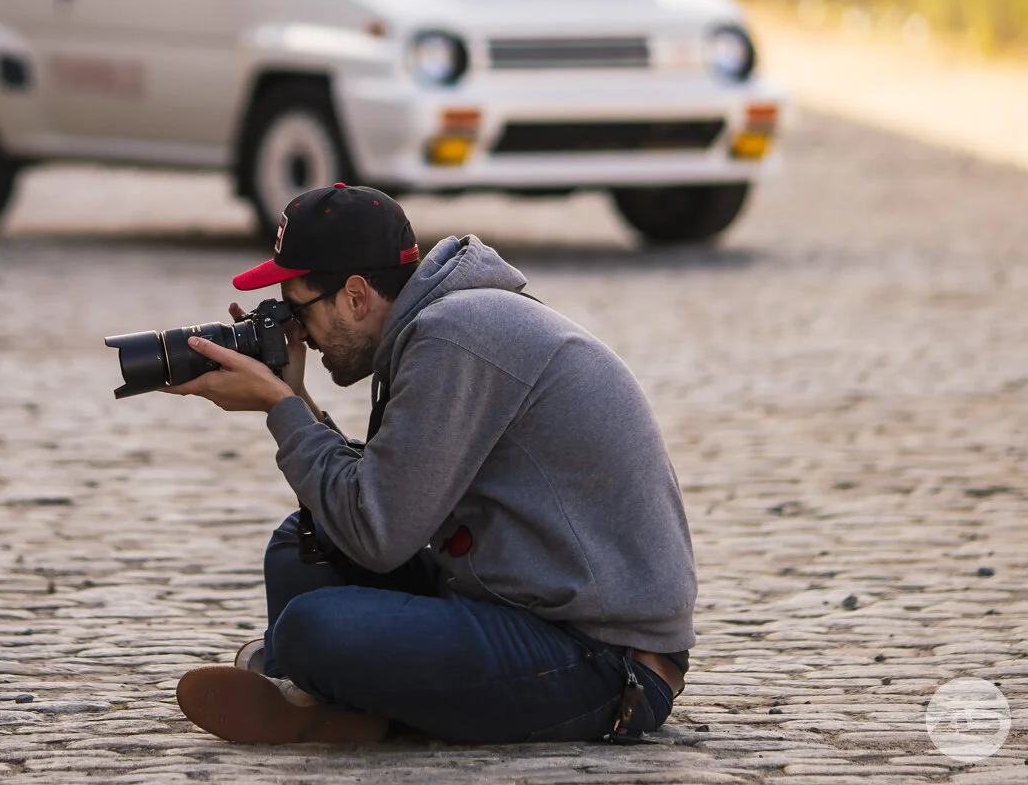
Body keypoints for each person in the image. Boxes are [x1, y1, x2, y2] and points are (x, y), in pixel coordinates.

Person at [165, 183, 695, 745]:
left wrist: (281, 408)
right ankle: (338, 696)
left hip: (605, 663)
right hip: (513, 604)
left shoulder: (455, 337)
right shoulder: (447, 323)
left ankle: (328, 692)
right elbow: (383, 499)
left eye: (297, 309)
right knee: (304, 541)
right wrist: (296, 397)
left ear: (355, 296)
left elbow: (379, 533)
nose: (297, 333)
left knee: (309, 628)